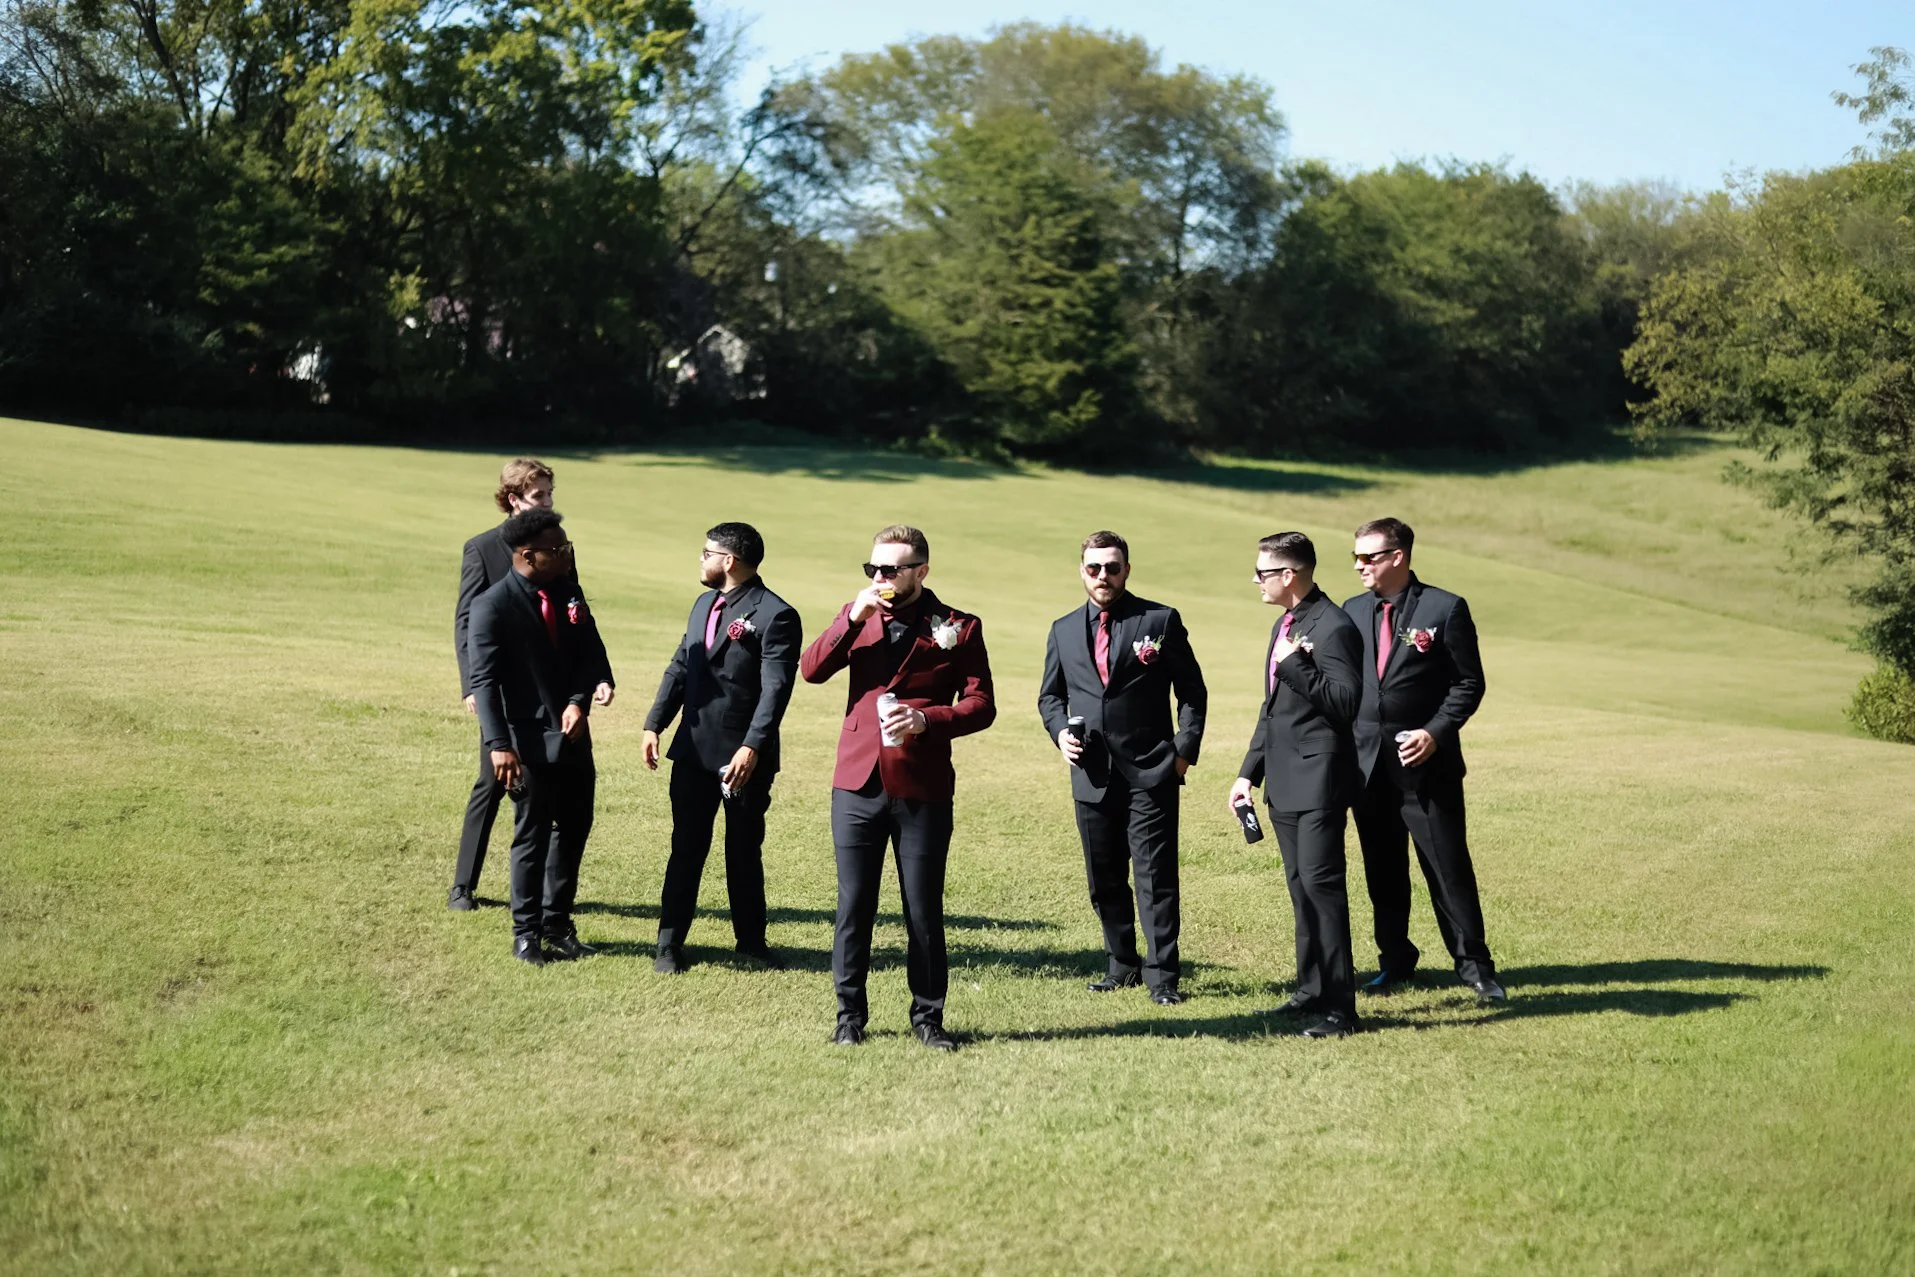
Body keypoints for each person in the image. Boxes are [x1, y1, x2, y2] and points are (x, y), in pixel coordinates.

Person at [799, 525, 995, 1051]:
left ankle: (928, 1019)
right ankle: (848, 1017)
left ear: (921, 571)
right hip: (856, 783)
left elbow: (981, 705)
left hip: (923, 784)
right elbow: (812, 670)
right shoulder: (856, 615)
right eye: (873, 569)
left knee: (923, 908)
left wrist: (926, 719)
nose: (880, 578)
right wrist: (851, 617)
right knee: (853, 903)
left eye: (890, 570)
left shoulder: (959, 626)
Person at [1037, 530, 1206, 1005]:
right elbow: (1050, 696)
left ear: (1127, 569)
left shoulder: (1159, 620)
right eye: (1094, 568)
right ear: (1082, 571)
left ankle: (1162, 977)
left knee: (1155, 878)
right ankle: (1121, 964)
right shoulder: (1063, 628)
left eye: (1112, 567)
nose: (1103, 576)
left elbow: (1192, 691)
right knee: (1104, 877)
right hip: (1090, 773)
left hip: (1152, 771)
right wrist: (1059, 732)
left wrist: (1183, 751)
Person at [1344, 517, 1504, 1002]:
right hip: (1367, 768)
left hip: (1426, 767)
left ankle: (1475, 966)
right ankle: (1395, 960)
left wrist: (1435, 732)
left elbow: (1468, 683)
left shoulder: (1444, 608)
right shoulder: (1351, 612)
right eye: (1355, 557)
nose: (1358, 566)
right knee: (1383, 869)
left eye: (1368, 557)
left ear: (1398, 557)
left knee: (1447, 866)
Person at [450, 458, 612, 911]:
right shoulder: (481, 549)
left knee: (560, 796)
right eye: (539, 495)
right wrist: (471, 686)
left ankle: (551, 902)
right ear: (513, 498)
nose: (548, 502)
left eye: (549, 494)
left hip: (553, 691)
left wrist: (595, 678)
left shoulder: (558, 547)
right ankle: (464, 885)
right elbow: (467, 621)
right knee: (493, 782)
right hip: (503, 692)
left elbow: (577, 612)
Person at [642, 523, 802, 973]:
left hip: (743, 758)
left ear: (728, 560)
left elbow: (775, 690)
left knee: (743, 848)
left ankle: (751, 943)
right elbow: (681, 665)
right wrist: (655, 723)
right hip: (692, 750)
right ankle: (669, 946)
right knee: (686, 846)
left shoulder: (776, 615)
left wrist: (752, 746)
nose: (701, 560)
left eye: (706, 552)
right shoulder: (702, 604)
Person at [1227, 532, 1366, 1038]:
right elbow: (1273, 711)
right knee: (1300, 889)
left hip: (1319, 779)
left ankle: (1340, 1008)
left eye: (1263, 572)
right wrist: (1247, 773)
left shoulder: (1333, 626)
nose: (1257, 581)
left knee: (1323, 890)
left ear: (1290, 575)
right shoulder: (1285, 624)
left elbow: (1347, 702)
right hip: (1282, 781)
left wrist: (1293, 665)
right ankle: (1311, 989)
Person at [467, 509, 606, 966]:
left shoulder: (569, 593)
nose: (568, 554)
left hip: (572, 739)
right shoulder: (491, 607)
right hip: (524, 744)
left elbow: (589, 652)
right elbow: (484, 683)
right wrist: (498, 746)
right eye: (559, 548)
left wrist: (578, 700)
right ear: (528, 556)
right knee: (531, 836)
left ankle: (557, 923)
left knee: (574, 829)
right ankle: (525, 933)